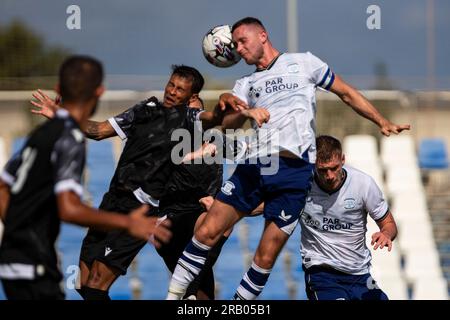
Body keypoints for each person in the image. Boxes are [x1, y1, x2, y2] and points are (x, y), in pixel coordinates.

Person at [166, 17, 410, 300]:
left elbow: (345, 92)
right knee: (206, 232)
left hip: (294, 171)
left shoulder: (305, 63)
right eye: (235, 45)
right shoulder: (245, 83)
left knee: (265, 257)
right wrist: (235, 111)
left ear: (263, 36)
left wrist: (380, 120)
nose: (239, 50)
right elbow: (230, 124)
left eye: (243, 42)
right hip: (256, 164)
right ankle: (172, 298)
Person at [30, 66, 232, 300]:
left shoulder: (189, 120)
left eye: (180, 90)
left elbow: (213, 117)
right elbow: (96, 130)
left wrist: (224, 102)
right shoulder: (143, 110)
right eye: (171, 85)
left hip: (140, 210)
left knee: (96, 285)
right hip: (112, 200)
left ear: (191, 96)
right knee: (82, 282)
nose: (173, 92)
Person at [0, 55, 172, 300]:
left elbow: (2, 187)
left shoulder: (43, 133)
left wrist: (16, 237)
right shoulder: (70, 139)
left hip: (12, 262)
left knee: (86, 287)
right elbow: (68, 208)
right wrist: (127, 223)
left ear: (59, 89)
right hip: (35, 266)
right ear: (100, 91)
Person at [300, 135, 397, 300]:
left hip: (360, 274)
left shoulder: (363, 184)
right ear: (313, 164)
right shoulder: (301, 185)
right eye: (323, 170)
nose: (329, 175)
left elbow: (388, 223)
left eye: (334, 168)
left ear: (343, 159)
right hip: (322, 273)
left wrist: (386, 234)